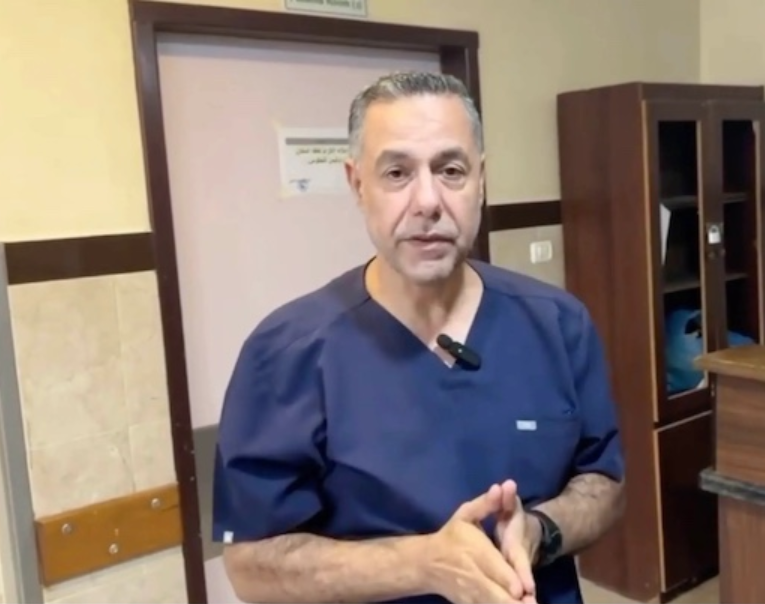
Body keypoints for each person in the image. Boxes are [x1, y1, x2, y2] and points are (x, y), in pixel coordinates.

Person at [211, 71, 625, 604]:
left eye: (451, 170)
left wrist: (537, 531)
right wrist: (422, 565)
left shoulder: (558, 325)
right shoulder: (287, 354)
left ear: (481, 181)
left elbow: (604, 485)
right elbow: (251, 566)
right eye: (397, 173)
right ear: (358, 184)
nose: (428, 201)